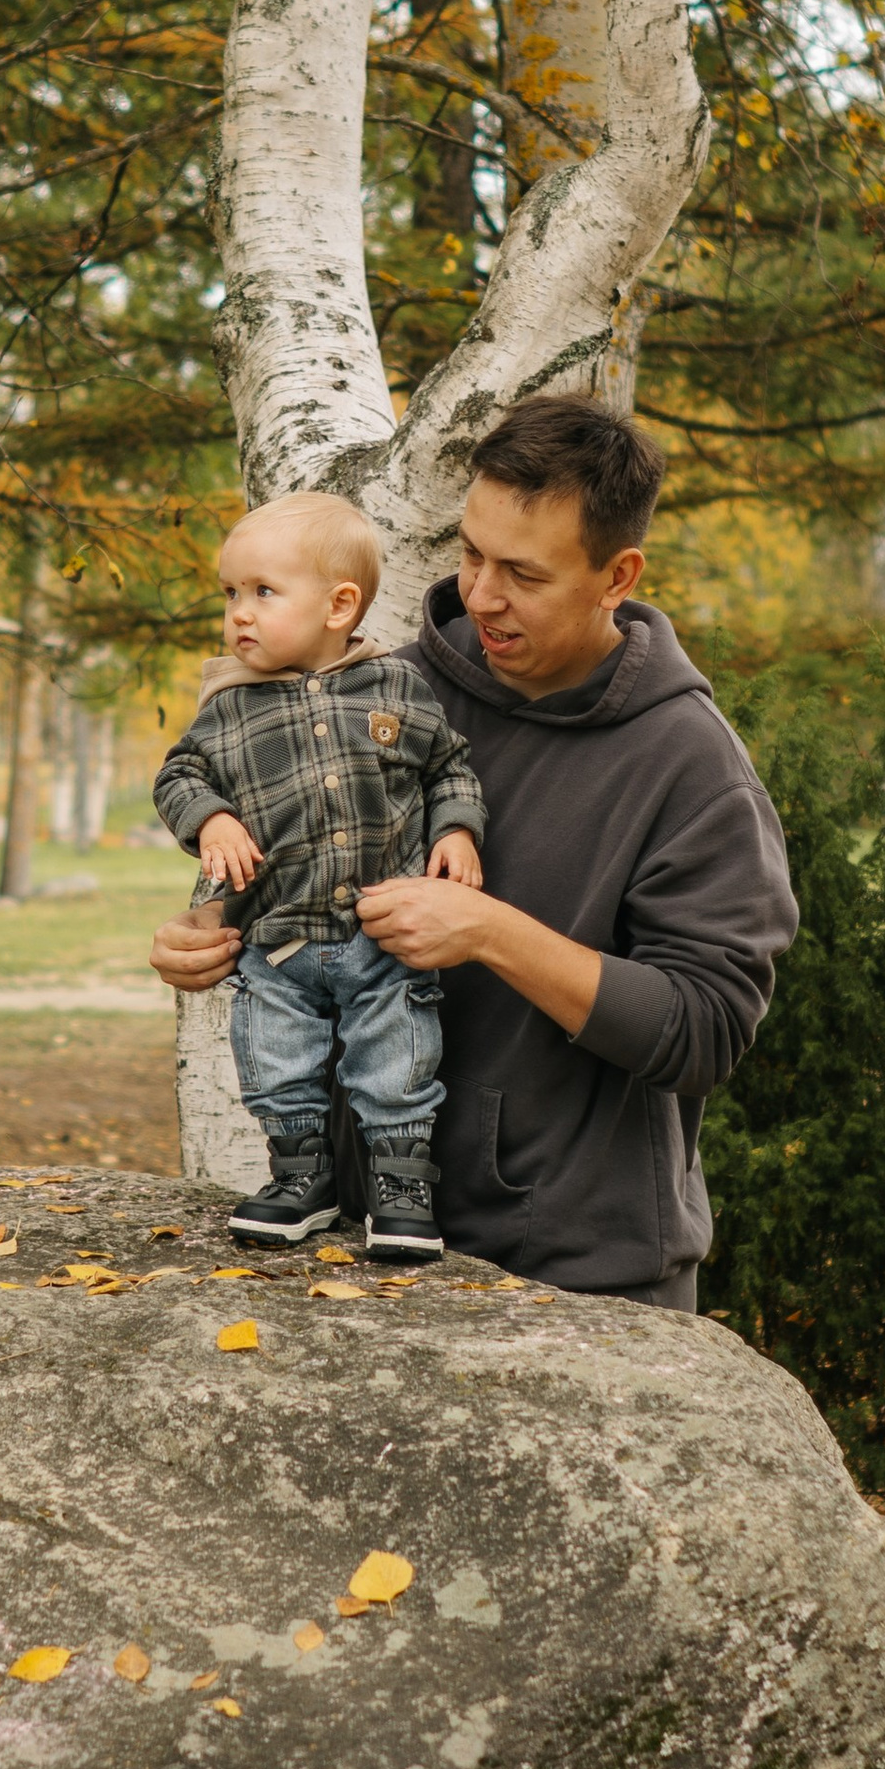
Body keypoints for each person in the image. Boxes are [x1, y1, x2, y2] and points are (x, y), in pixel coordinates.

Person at [150, 399, 796, 1307]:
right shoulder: (380, 690)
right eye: (472, 554)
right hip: (362, 1250)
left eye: (523, 574)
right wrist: (211, 917)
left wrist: (492, 932)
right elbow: (282, 838)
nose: (482, 595)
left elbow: (704, 1030)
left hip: (582, 1283)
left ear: (618, 575)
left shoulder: (690, 767)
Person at [153, 489, 487, 1260]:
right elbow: (179, 776)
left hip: (384, 930)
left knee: (397, 1058)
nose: (239, 613)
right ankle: (299, 1178)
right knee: (275, 1060)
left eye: (263, 593)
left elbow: (449, 769)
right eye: (230, 593)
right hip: (279, 940)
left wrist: (459, 833)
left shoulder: (395, 689)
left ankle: (401, 1189)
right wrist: (212, 819)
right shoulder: (226, 709)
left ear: (339, 606)